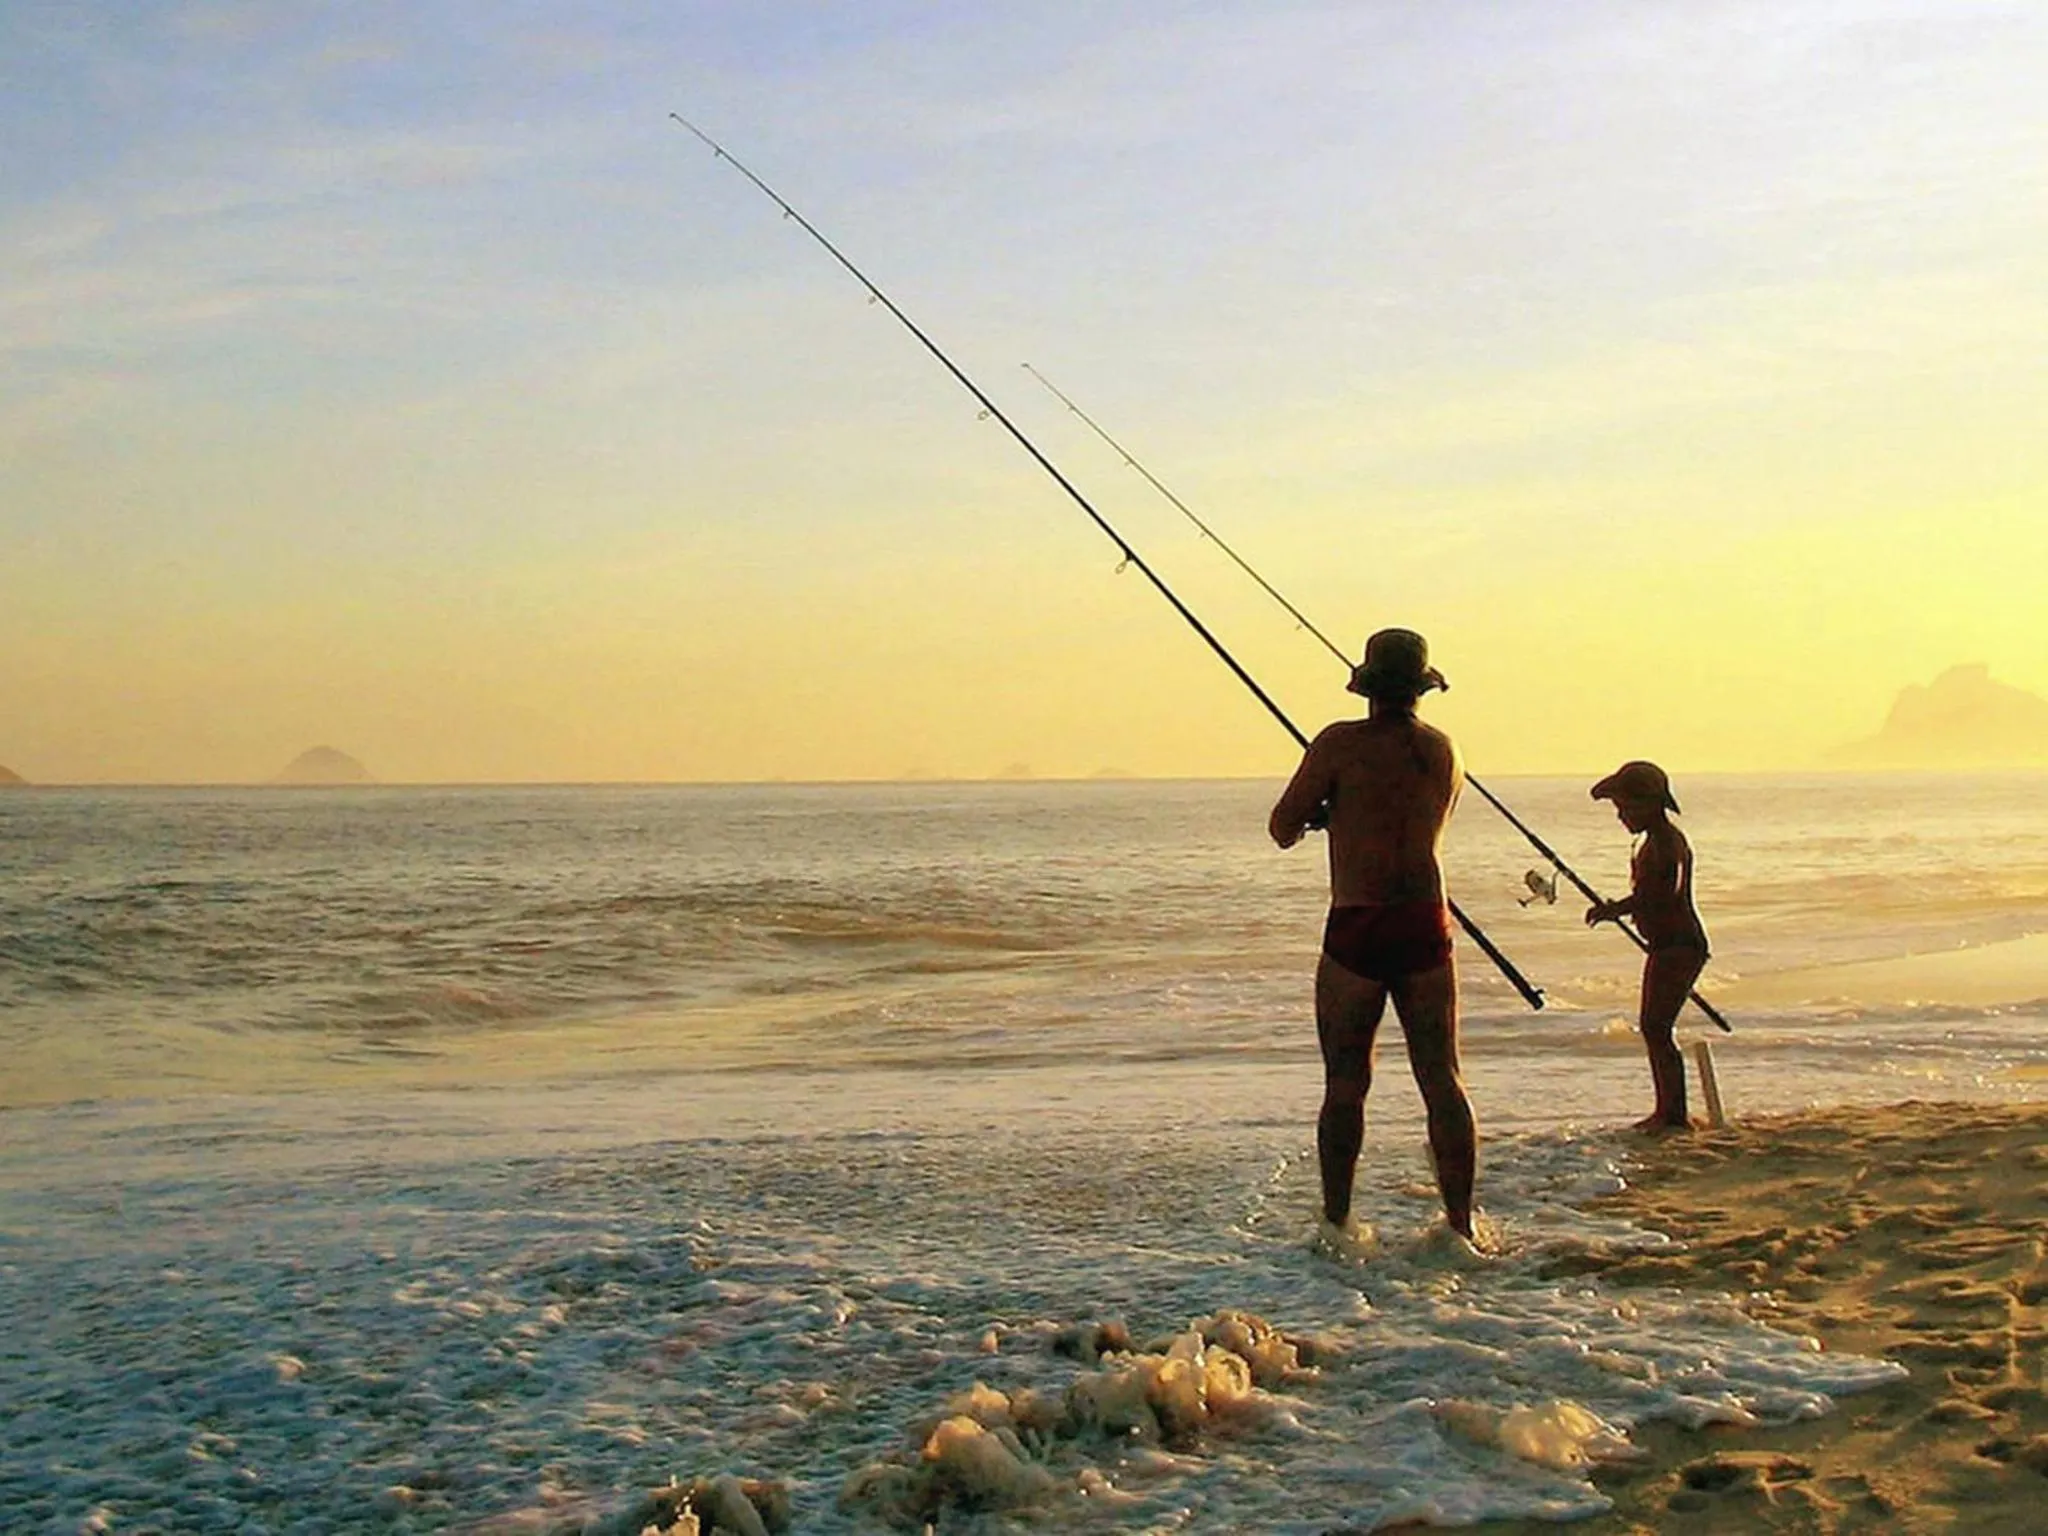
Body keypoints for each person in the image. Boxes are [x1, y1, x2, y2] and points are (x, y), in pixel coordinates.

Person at [1269, 628, 1478, 1248]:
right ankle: (1461, 1223)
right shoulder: (1445, 752)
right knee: (1442, 1077)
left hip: (1357, 920)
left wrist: (1321, 816)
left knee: (1345, 1082)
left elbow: (1282, 826)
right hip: (1424, 919)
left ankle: (1337, 1223)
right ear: (1421, 686)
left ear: (1366, 685)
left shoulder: (1337, 744)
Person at [1585, 760, 1710, 1132]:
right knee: (1656, 1027)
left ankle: (1671, 1113)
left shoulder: (1666, 844)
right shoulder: (1655, 841)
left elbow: (1660, 894)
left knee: (1656, 1028)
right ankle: (1669, 1109)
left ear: (1651, 804)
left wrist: (1615, 910)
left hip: (1678, 945)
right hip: (1667, 945)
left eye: (1626, 808)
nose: (1621, 816)